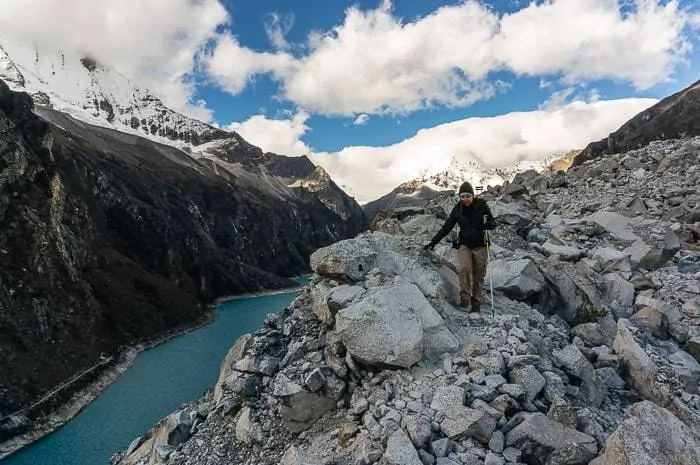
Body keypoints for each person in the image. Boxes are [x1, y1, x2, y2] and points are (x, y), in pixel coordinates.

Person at [423, 182, 496, 312]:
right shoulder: (457, 210)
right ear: (460, 197)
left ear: (472, 196)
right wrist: (434, 242)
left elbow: (492, 222)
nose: (465, 199)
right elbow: (447, 227)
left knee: (479, 275)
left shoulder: (481, 206)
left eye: (468, 196)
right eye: (463, 196)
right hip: (464, 244)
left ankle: (476, 304)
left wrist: (488, 225)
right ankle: (465, 298)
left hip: (481, 245)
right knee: (463, 268)